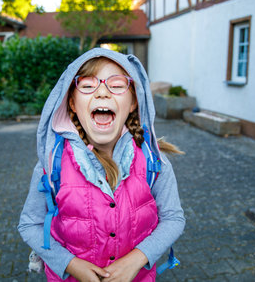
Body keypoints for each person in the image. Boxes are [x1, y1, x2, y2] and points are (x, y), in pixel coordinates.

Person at [18, 48, 185, 282]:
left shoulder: (153, 161)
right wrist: (70, 264)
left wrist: (137, 259)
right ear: (72, 103)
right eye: (87, 85)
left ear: (134, 102)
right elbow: (30, 225)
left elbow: (174, 219)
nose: (103, 93)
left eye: (116, 85)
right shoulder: (51, 163)